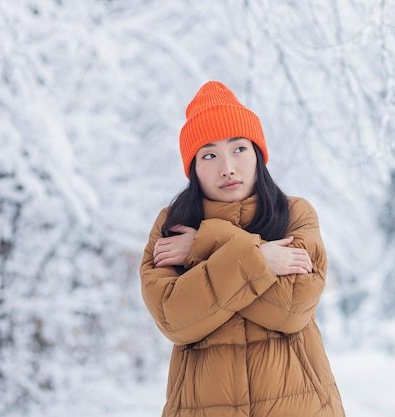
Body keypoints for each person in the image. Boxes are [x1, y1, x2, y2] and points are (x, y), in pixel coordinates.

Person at [140, 80, 346, 417]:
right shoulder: (171, 225)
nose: (228, 167)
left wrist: (207, 244)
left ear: (257, 153)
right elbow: (176, 320)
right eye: (209, 154)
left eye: (239, 149)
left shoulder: (294, 214)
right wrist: (260, 257)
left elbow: (291, 309)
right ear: (193, 167)